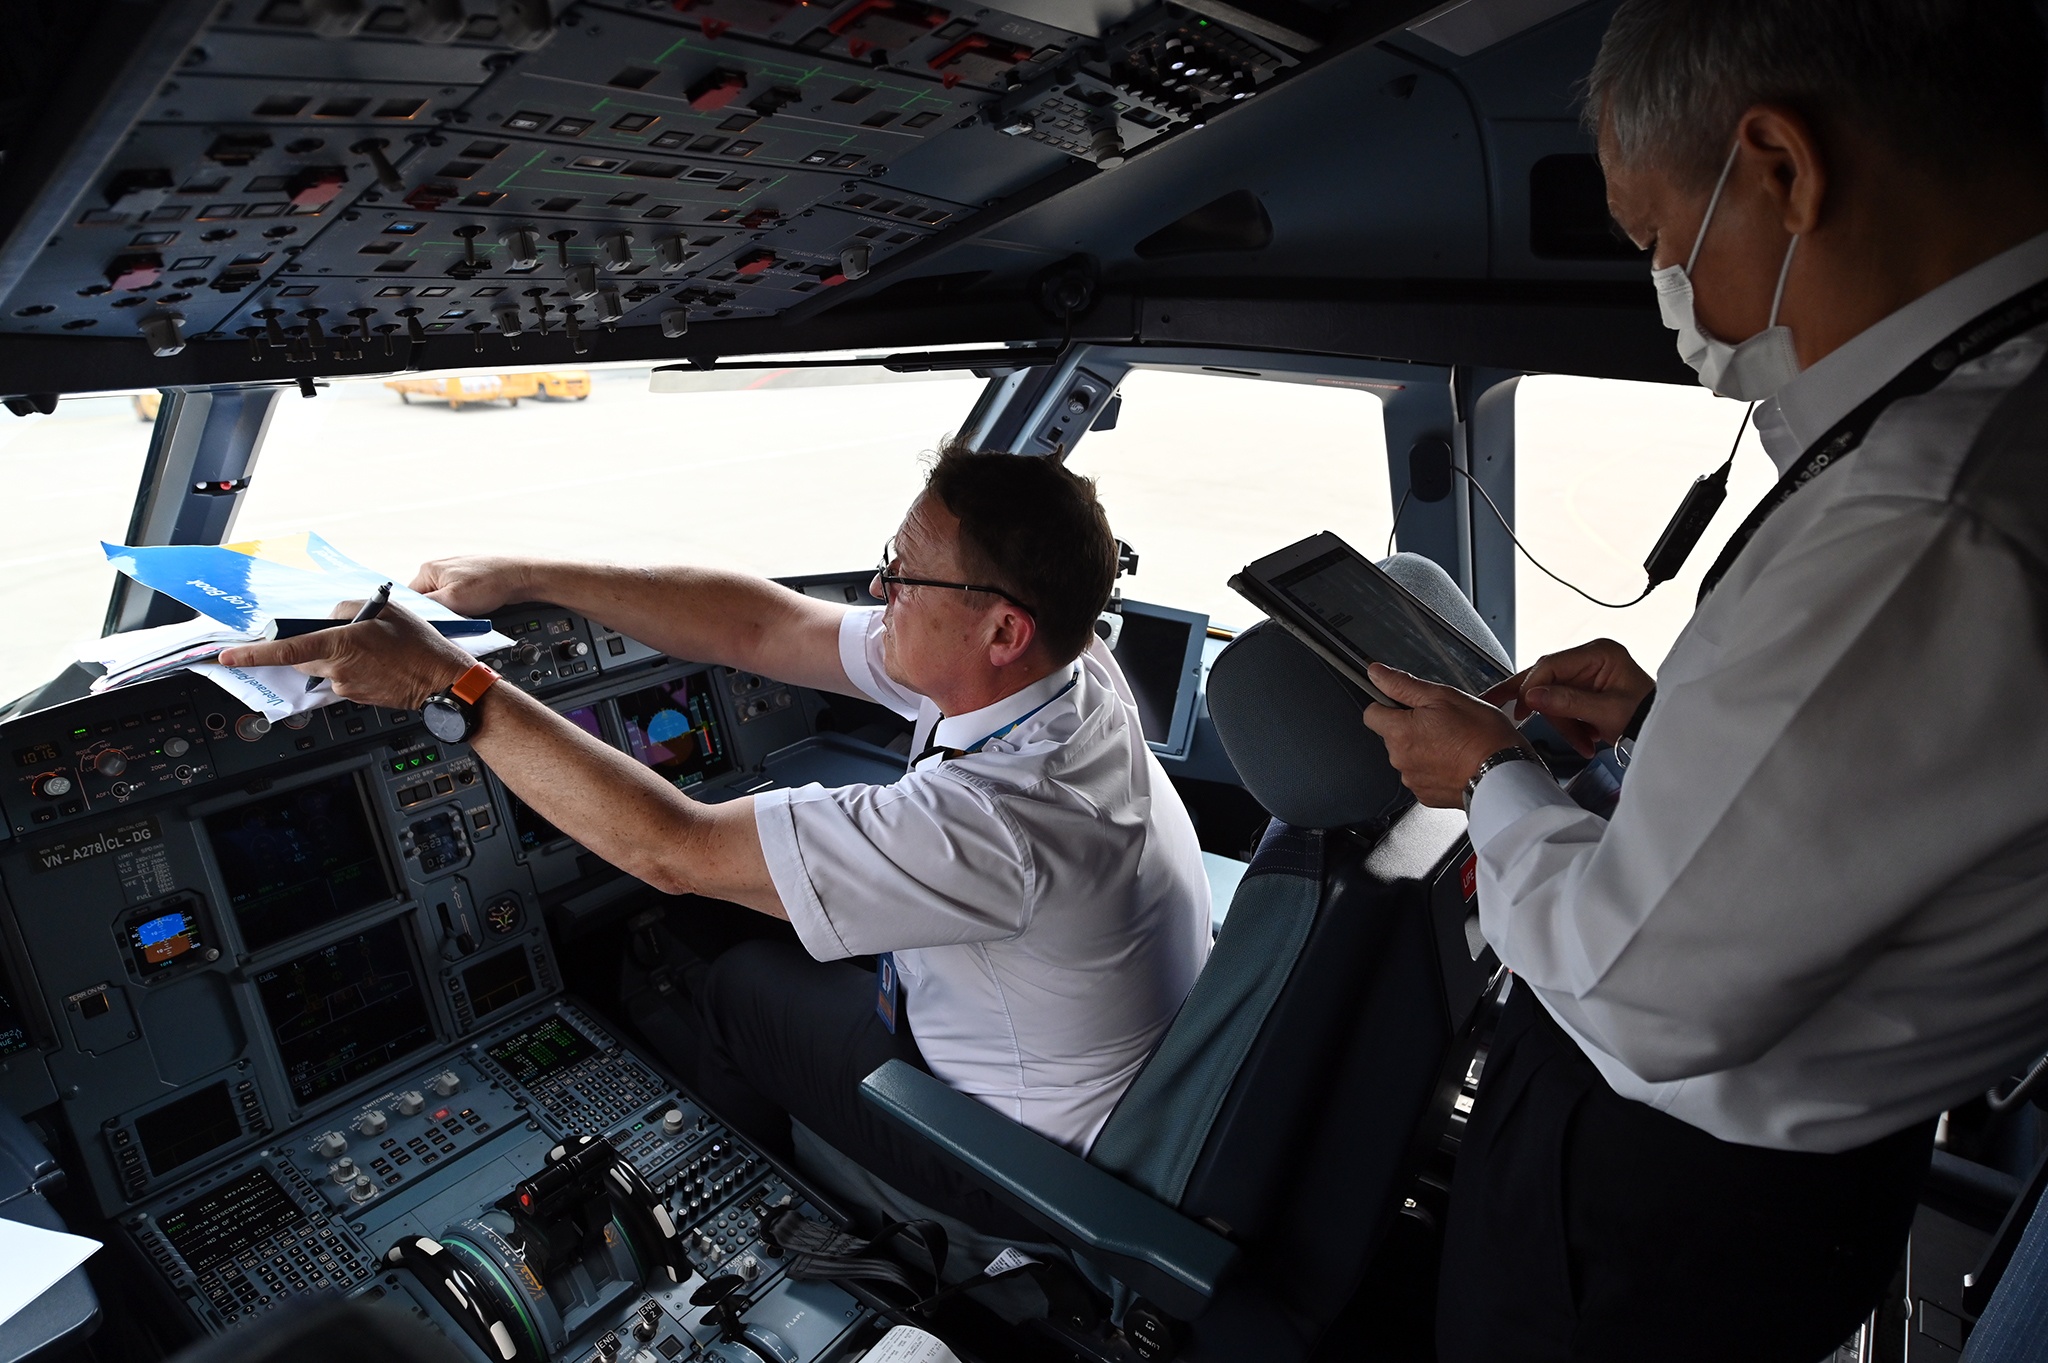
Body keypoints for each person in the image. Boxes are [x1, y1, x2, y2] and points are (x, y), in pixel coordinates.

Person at [1359, 2, 2048, 1358]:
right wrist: (1676, 725)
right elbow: (1917, 788)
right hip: (1796, 1181)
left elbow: (1637, 987)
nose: (1669, 281)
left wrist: (1488, 777)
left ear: (1784, 168)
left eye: (1658, 235)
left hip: (1657, 1203)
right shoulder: (1989, 428)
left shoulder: (1929, 516)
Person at [221, 441, 1211, 1236]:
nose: (877, 594)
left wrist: (454, 685)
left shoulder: (1000, 817)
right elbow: (760, 628)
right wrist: (525, 572)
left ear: (1001, 629)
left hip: (1019, 1157)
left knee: (737, 985)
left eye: (902, 578)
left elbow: (672, 849)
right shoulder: (1065, 669)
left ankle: (768, 1222)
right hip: (1110, 1069)